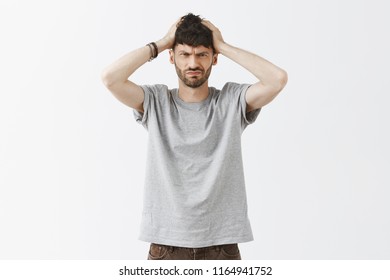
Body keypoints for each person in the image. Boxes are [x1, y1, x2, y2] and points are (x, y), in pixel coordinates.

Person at [101, 13, 287, 260]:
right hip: (166, 246)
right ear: (171, 57)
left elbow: (277, 79)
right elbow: (110, 78)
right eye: (184, 54)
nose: (193, 63)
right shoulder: (157, 101)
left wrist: (223, 45)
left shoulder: (231, 101)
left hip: (222, 245)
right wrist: (162, 42)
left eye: (202, 54)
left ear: (214, 58)